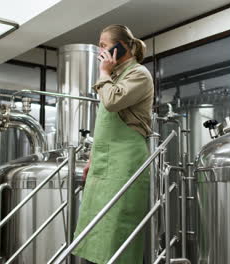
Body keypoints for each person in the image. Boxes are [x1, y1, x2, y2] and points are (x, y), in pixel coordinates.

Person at [72, 24, 154, 264]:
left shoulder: (138, 74)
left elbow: (111, 102)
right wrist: (92, 158)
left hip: (125, 161)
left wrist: (103, 73)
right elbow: (103, 124)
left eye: (104, 45)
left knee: (118, 228)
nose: (101, 51)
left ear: (122, 47)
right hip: (104, 161)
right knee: (96, 224)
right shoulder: (116, 77)